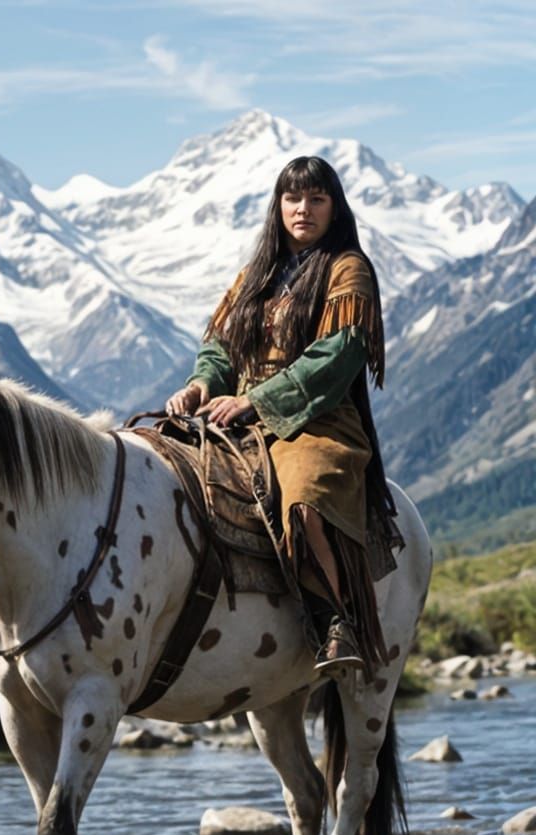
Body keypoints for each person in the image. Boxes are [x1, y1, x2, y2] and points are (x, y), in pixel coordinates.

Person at [166, 155, 400, 680]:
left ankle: (334, 620)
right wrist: (201, 384)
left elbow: (335, 360)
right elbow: (221, 350)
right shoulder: (256, 275)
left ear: (334, 208)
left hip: (317, 420)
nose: (303, 209)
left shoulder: (348, 269)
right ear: (278, 206)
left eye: (317, 199)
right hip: (235, 414)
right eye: (293, 198)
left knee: (300, 498)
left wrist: (255, 401)